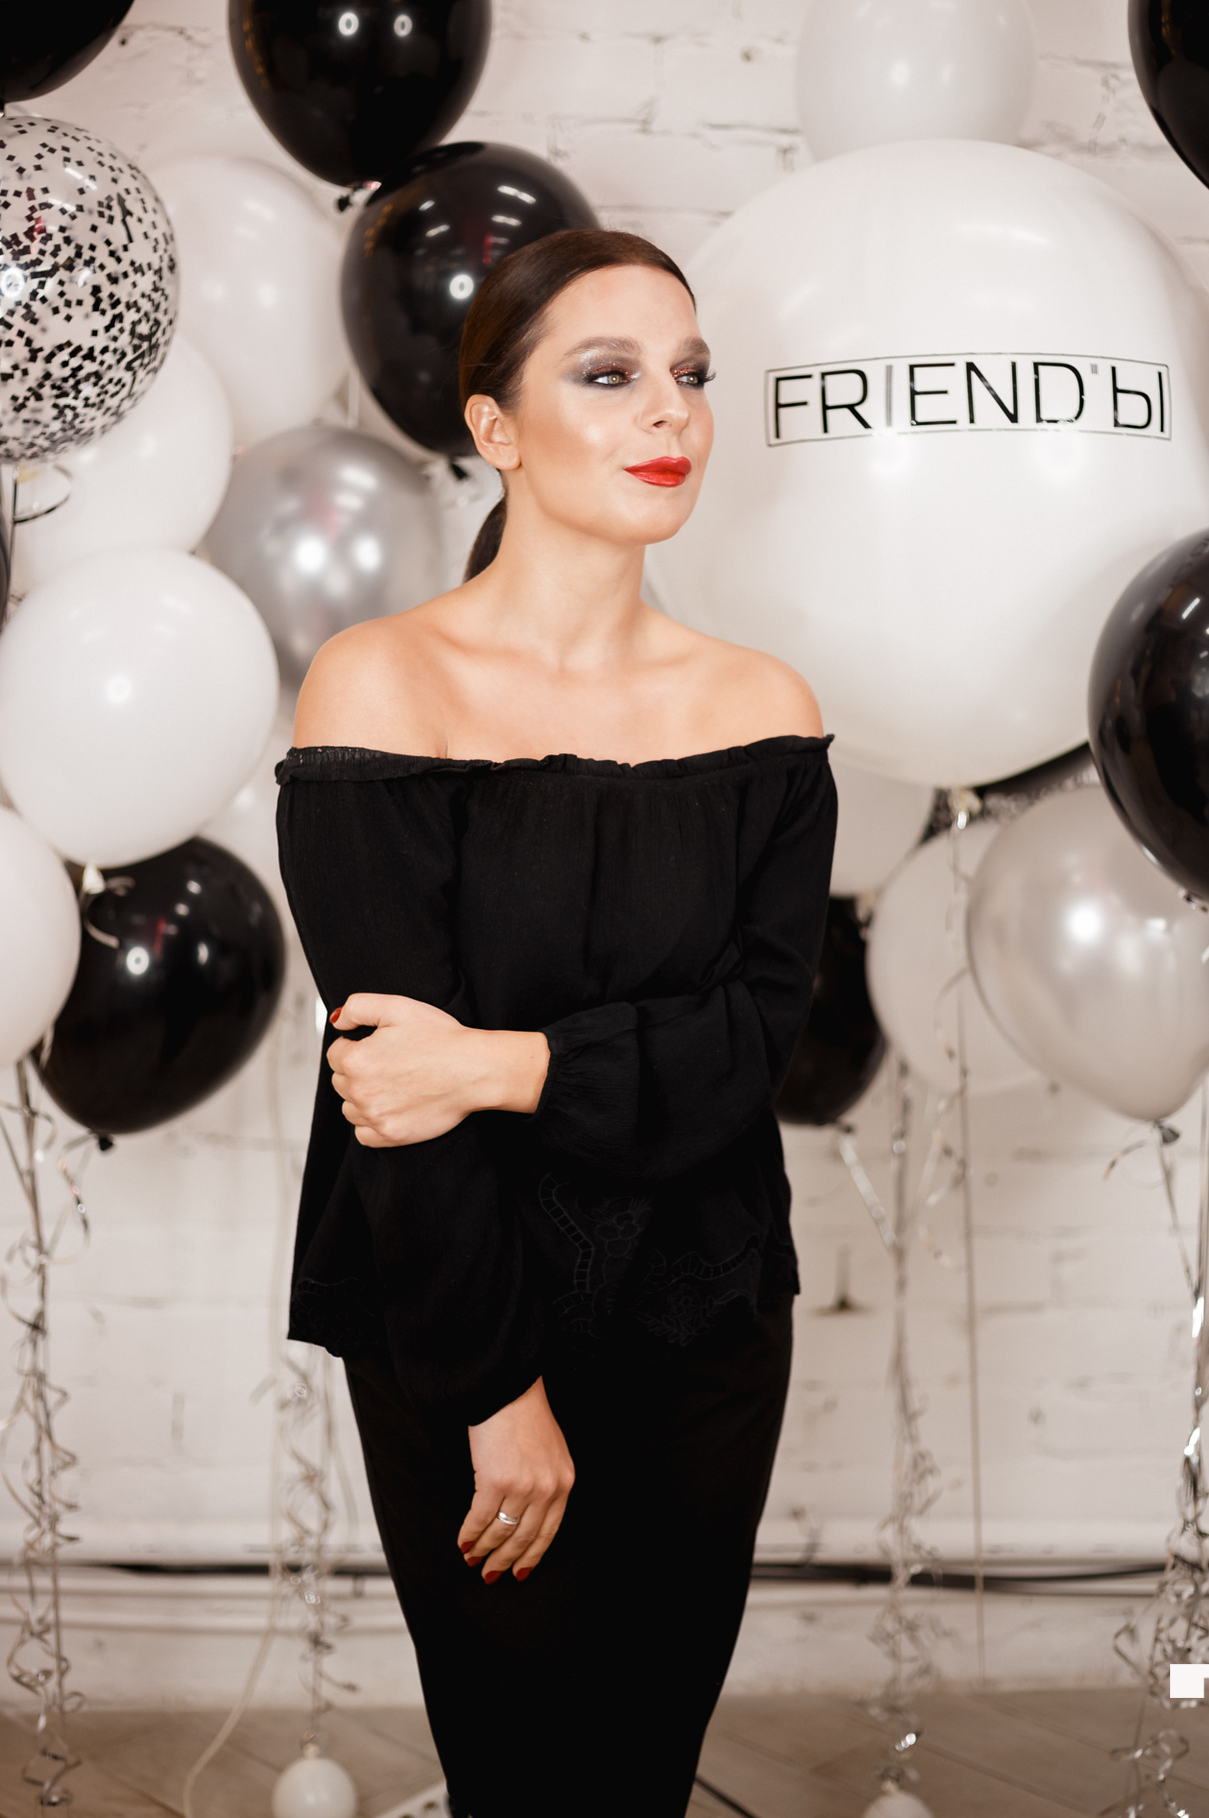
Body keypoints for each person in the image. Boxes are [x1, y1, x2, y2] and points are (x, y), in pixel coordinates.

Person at [276, 228, 837, 1817]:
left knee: (641, 1777)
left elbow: (754, 1049)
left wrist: (501, 1064)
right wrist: (494, 1394)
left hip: (706, 1316)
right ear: (495, 427)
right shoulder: (378, 686)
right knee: (521, 1778)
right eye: (609, 374)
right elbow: (395, 1100)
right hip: (460, 1319)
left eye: (691, 374)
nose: (671, 412)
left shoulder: (765, 712)